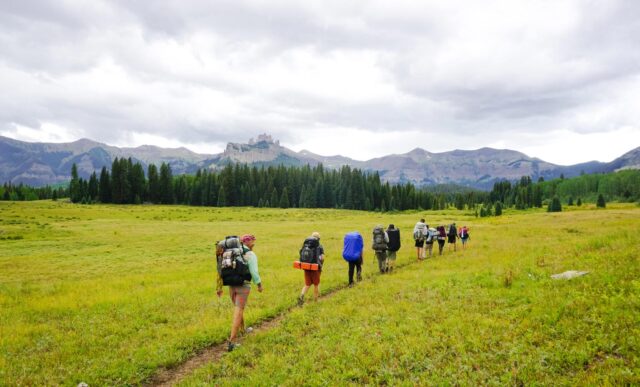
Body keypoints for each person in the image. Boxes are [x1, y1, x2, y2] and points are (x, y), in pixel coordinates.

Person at [218, 234, 263, 352]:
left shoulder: (231, 253)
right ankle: (231, 342)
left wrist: (219, 287)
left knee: (239, 309)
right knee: (238, 312)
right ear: (247, 242)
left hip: (231, 285)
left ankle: (243, 330)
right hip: (243, 286)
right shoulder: (250, 254)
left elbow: (220, 269)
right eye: (253, 241)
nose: (254, 243)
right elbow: (254, 272)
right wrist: (259, 285)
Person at [298, 231, 325, 306]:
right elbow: (322, 258)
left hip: (306, 267)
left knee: (307, 284)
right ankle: (316, 301)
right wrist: (321, 265)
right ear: (318, 238)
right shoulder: (319, 245)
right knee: (316, 284)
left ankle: (301, 296)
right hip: (315, 268)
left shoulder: (306, 244)